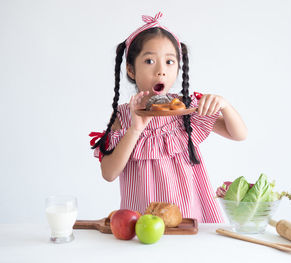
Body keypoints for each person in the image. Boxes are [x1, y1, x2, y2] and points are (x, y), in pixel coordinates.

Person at [89, 12, 247, 223]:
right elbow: (108, 173)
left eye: (170, 62)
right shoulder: (123, 115)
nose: (161, 70)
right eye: (149, 60)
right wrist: (135, 129)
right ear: (131, 69)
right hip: (141, 220)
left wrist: (225, 105)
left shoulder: (186, 109)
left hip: (188, 216)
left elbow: (239, 134)